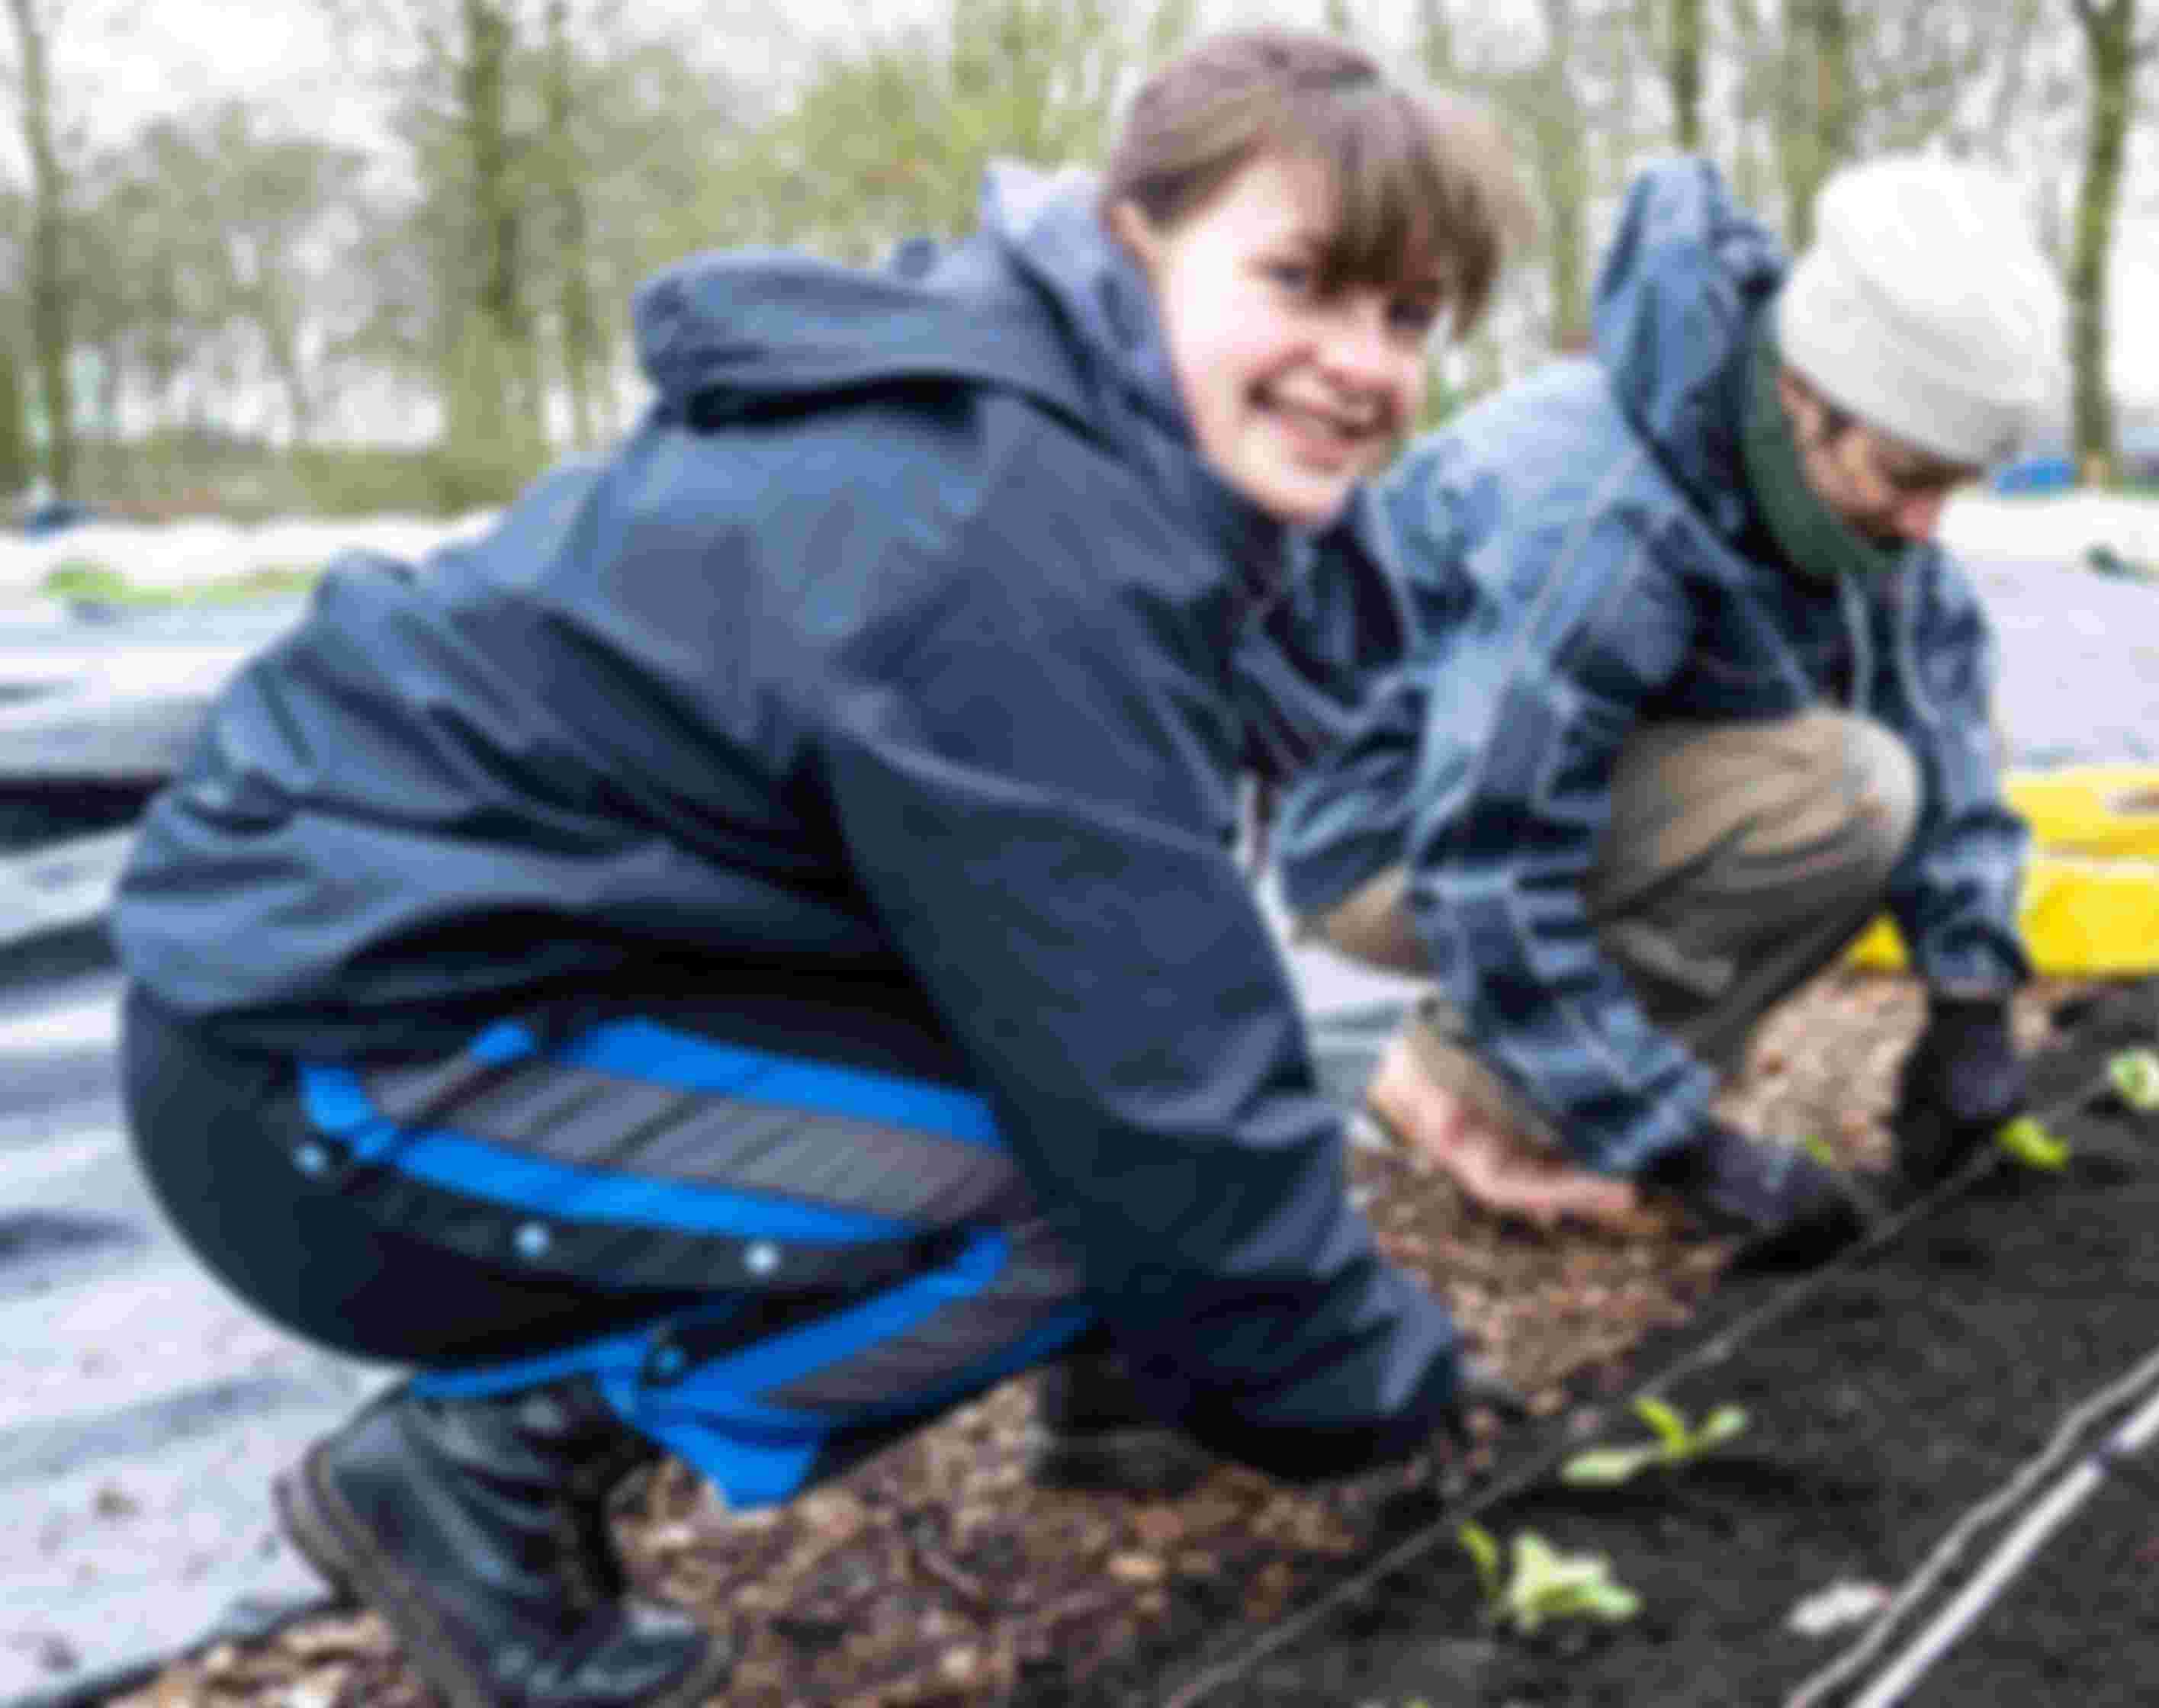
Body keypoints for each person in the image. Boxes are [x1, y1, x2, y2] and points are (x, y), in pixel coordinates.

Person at [110, 29, 1531, 1708]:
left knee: (1109, 1067)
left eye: (1409, 318)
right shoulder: (1009, 539)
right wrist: (1384, 1389)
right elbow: (1154, 1112)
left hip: (426, 972)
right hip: (332, 1064)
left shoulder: (1082, 461)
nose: (1359, 362)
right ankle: (483, 1471)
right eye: (1299, 280)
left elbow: (1134, 967)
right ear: (1132, 238)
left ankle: (1126, 1385)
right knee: (1079, 1189)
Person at [1270, 155, 2055, 1250]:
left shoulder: (1844, 494)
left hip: (1551, 794)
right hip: (1383, 836)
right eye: (1907, 478)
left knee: (1908, 761)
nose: (1925, 523)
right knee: (1845, 793)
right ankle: (1469, 1092)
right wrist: (1678, 1146)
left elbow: (1943, 714)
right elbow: (1483, 858)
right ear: (1801, 398)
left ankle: (1571, 1068)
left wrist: (1969, 1000)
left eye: (1949, 488)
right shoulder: (1599, 526)